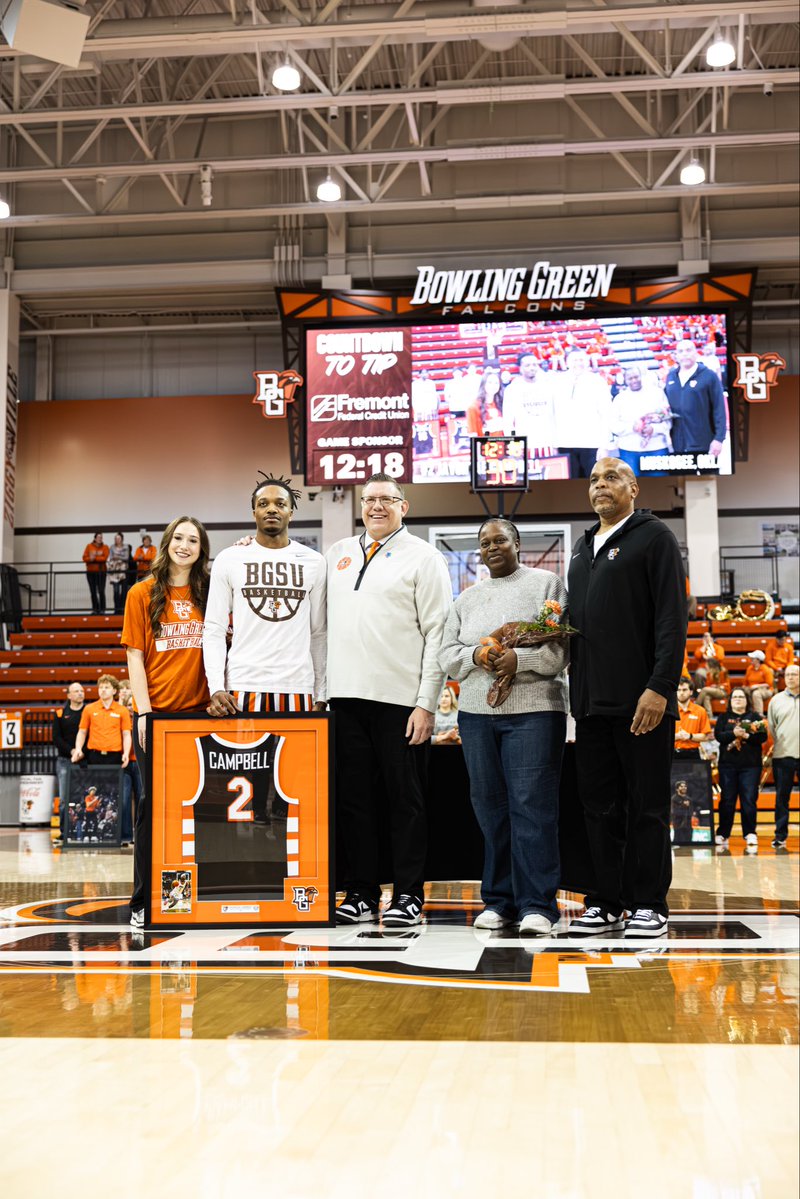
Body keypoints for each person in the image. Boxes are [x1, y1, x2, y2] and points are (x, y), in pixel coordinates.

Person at [326, 472, 452, 928]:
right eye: (369, 499)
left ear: (404, 506)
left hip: (401, 703)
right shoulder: (337, 554)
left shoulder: (425, 558)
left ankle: (408, 894)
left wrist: (426, 704)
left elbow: (439, 634)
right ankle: (360, 891)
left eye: (386, 499)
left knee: (406, 802)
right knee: (354, 801)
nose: (376, 506)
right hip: (343, 699)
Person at [567, 458, 686, 938]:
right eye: (594, 480)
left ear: (633, 488)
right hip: (590, 705)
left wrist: (659, 687)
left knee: (647, 807)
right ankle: (605, 901)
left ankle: (649, 903)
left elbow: (672, 621)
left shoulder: (653, 537)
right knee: (599, 808)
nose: (600, 486)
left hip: (642, 704)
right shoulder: (580, 547)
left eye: (611, 478)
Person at [439, 519, 568, 935]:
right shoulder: (467, 599)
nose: (491, 547)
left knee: (531, 808)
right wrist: (478, 656)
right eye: (484, 543)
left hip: (534, 713)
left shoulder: (547, 585)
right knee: (490, 809)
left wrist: (521, 661)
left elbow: (560, 651)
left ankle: (538, 906)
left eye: (499, 540)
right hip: (476, 715)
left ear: (517, 544)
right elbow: (447, 654)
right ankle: (499, 900)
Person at [122, 515, 211, 928]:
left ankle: (191, 896)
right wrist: (143, 712)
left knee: (197, 811)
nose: (185, 545)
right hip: (156, 718)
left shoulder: (210, 590)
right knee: (152, 812)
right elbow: (134, 657)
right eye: (179, 537)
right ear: (167, 541)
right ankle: (143, 901)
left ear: (201, 548)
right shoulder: (142, 593)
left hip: (200, 716)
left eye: (193, 540)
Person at [203, 474, 326, 718]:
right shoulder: (229, 559)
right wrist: (216, 686)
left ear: (291, 512)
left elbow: (319, 633)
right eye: (263, 504)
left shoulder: (315, 561)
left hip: (298, 686)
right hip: (242, 685)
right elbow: (214, 628)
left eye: (280, 504)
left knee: (295, 758)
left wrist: (321, 693)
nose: (271, 509)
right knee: (247, 756)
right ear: (254, 513)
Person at [714, 687, 768, 850]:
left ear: (747, 700)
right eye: (735, 697)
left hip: (750, 766)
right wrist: (733, 733)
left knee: (749, 800)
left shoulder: (755, 717)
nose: (738, 699)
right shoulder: (723, 718)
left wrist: (746, 736)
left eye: (741, 697)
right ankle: (723, 832)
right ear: (730, 701)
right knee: (727, 800)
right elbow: (718, 736)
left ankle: (750, 832)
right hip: (727, 766)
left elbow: (763, 737)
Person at [664, 339, 726, 457]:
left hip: (704, 440)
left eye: (688, 350)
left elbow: (719, 408)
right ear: (676, 356)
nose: (685, 354)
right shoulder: (671, 376)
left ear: (696, 353)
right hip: (678, 441)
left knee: (708, 476)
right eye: (681, 351)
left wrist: (719, 439)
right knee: (682, 476)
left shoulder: (709, 376)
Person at [555, 349, 612, 478]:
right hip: (565, 443)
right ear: (567, 362)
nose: (578, 363)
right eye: (574, 360)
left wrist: (604, 445)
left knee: (593, 485)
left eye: (581, 360)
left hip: (591, 443)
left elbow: (606, 414)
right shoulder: (557, 381)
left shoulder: (598, 381)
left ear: (587, 362)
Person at [609, 364, 672, 474]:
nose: (634, 380)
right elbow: (614, 425)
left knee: (661, 486)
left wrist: (654, 429)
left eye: (636, 377)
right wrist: (632, 427)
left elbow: (668, 420)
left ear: (641, 376)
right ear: (625, 380)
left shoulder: (657, 393)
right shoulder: (619, 399)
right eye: (630, 378)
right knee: (631, 488)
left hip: (657, 449)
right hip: (629, 451)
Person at [767, 663, 799, 849]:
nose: (791, 677)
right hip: (783, 756)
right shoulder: (776, 700)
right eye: (788, 674)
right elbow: (772, 727)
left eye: (795, 674)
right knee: (782, 798)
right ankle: (780, 835)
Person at [501, 350, 557, 456]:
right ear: (520, 368)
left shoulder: (548, 386)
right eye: (527, 365)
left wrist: (556, 443)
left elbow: (554, 416)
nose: (532, 367)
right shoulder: (513, 389)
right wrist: (513, 444)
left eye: (534, 364)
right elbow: (508, 421)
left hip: (547, 443)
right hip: (525, 445)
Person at [72, 675, 132, 768]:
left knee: (113, 782)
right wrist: (78, 748)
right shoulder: (89, 708)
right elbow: (82, 731)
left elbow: (126, 734)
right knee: (95, 783)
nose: (103, 690)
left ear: (114, 691)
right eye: (101, 687)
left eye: (107, 687)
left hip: (115, 756)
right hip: (94, 755)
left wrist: (126, 753)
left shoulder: (122, 710)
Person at [52, 682, 86, 843]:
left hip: (84, 760)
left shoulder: (89, 711)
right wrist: (72, 751)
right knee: (65, 799)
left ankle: (81, 832)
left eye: (82, 691)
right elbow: (56, 738)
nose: (80, 693)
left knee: (83, 798)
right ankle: (65, 833)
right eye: (76, 691)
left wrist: (81, 752)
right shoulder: (60, 713)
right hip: (65, 760)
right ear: (68, 695)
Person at [674, 677, 712, 759]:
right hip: (672, 753)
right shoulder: (669, 711)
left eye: (684, 690)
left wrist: (690, 736)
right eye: (679, 690)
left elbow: (705, 737)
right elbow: (662, 737)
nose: (681, 693)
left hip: (693, 753)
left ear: (691, 692)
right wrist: (676, 736)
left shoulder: (700, 711)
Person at [465, 368, 504, 437]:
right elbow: (473, 434)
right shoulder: (473, 407)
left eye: (496, 383)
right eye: (490, 382)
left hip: (502, 446)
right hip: (484, 446)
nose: (493, 386)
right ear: (483, 384)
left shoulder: (502, 404)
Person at [82, 532, 109, 615]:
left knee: (101, 591)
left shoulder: (105, 547)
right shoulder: (89, 546)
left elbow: (105, 558)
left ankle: (102, 609)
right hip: (91, 572)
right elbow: (84, 557)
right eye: (98, 537)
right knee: (93, 591)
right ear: (95, 538)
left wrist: (94, 558)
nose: (100, 539)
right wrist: (90, 558)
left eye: (101, 537)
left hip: (101, 572)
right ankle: (95, 609)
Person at [107, 532, 132, 616]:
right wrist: (117, 558)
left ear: (122, 539)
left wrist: (117, 557)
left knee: (124, 591)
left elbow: (126, 557)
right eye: (116, 538)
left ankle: (122, 609)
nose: (117, 540)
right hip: (114, 571)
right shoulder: (112, 547)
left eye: (119, 538)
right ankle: (116, 609)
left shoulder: (126, 547)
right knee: (116, 591)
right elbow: (110, 557)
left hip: (124, 570)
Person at [744, 650, 774, 716]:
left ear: (758, 660)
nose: (750, 660)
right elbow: (745, 682)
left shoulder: (765, 669)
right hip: (751, 688)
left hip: (766, 690)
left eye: (752, 658)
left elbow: (769, 684)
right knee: (742, 692)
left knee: (756, 694)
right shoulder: (749, 668)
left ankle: (759, 715)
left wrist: (757, 686)